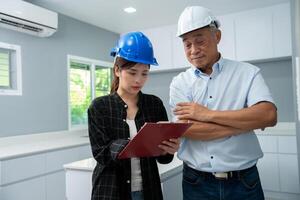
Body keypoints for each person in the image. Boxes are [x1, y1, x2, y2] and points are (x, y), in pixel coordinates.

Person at [169, 6, 277, 200]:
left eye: (200, 41)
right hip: (196, 182)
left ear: (217, 36)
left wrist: (206, 114)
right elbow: (185, 129)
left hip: (244, 182)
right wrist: (243, 124)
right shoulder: (180, 83)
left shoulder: (247, 73)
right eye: (187, 44)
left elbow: (268, 115)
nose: (194, 50)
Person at [88, 31, 180, 200]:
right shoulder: (100, 107)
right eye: (132, 72)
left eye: (144, 73)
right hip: (111, 191)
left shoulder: (154, 104)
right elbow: (100, 153)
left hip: (149, 189)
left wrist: (169, 149)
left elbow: (163, 159)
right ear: (117, 70)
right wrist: (133, 145)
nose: (139, 80)